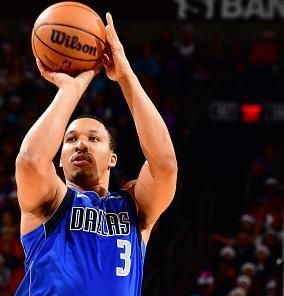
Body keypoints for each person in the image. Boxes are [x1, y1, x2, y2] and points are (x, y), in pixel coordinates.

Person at [14, 13, 177, 296]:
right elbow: (30, 161)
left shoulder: (134, 208)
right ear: (60, 159)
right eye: (71, 139)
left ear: (112, 157)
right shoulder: (50, 203)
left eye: (93, 138)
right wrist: (70, 90)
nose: (80, 144)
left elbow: (165, 166)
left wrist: (126, 76)